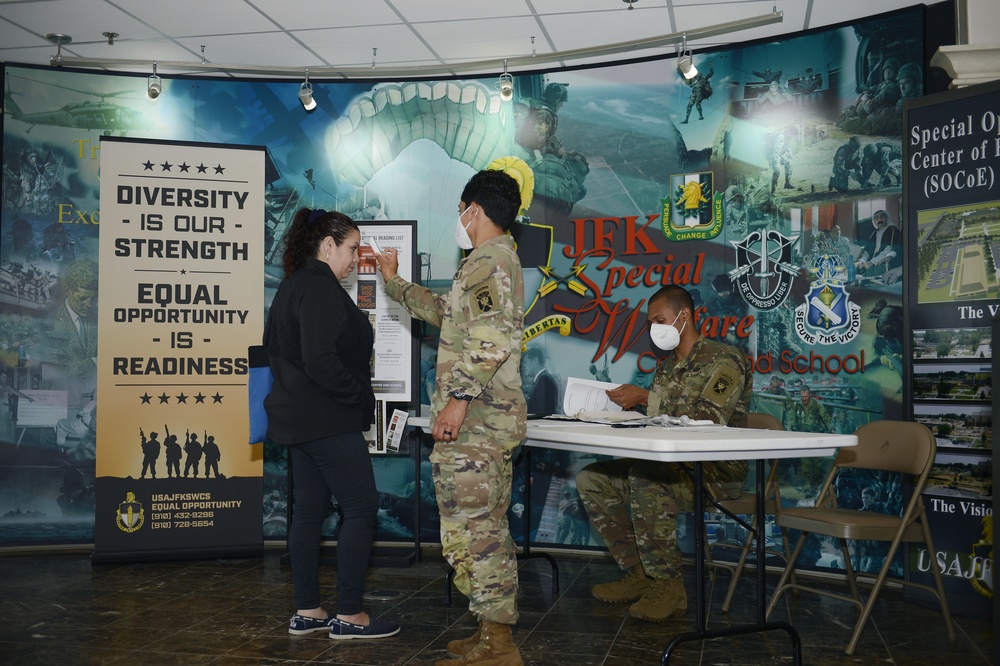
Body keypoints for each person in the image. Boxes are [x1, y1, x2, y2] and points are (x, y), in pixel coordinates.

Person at [376, 170, 526, 665]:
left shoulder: (490, 262)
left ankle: (499, 648)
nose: (459, 220)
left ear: (474, 210)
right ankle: (490, 634)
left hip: (478, 425)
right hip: (484, 425)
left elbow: (492, 338)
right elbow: (449, 312)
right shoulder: (490, 262)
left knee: (476, 534)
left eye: (461, 210)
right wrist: (394, 283)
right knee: (481, 530)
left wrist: (458, 399)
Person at [576, 285, 752, 623]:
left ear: (684, 316)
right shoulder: (666, 367)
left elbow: (708, 418)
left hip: (713, 472)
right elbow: (659, 421)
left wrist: (644, 398)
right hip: (668, 464)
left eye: (660, 320)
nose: (654, 328)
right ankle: (640, 574)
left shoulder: (726, 359)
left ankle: (669, 586)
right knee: (592, 478)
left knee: (646, 481)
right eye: (651, 322)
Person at [264, 208, 399, 641]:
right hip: (328, 420)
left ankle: (309, 610)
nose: (356, 257)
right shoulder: (320, 289)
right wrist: (360, 397)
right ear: (327, 246)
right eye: (352, 248)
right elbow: (322, 361)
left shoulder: (291, 286)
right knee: (361, 508)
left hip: (298, 421)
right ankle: (350, 615)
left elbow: (285, 354)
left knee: (307, 513)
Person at [521, 346, 558, 416]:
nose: (524, 366)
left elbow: (541, 410)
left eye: (526, 362)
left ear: (535, 361)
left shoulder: (544, 379)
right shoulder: (543, 378)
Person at [679, 59, 713, 124]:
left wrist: (710, 66)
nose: (697, 77)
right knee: (689, 105)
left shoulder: (704, 79)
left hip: (700, 92)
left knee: (697, 103)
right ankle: (686, 120)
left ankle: (700, 115)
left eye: (698, 76)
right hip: (694, 94)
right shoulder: (695, 84)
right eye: (696, 77)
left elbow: (710, 74)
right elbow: (690, 85)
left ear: (700, 76)